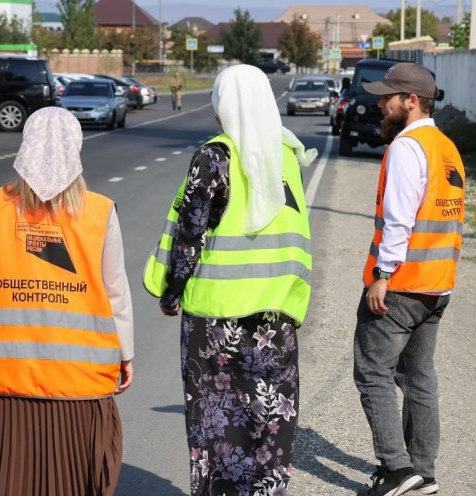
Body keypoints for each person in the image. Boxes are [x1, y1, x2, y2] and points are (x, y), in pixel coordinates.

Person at [0, 107, 134, 496]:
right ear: (75, 149)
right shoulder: (98, 210)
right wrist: (125, 354)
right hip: (80, 383)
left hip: (5, 377)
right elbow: (115, 293)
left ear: (26, 147)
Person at [144, 64, 317, 495]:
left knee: (216, 427)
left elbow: (190, 233)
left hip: (216, 324)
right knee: (268, 425)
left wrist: (172, 291)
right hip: (276, 318)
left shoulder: (215, 156)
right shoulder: (286, 154)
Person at [352, 62, 465, 496]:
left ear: (411, 101)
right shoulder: (446, 147)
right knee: (419, 376)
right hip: (438, 285)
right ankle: (423, 470)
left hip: (401, 284)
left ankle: (397, 469)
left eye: (388, 97)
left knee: (372, 372)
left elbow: (399, 220)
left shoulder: (406, 147)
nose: (380, 104)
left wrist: (382, 274)